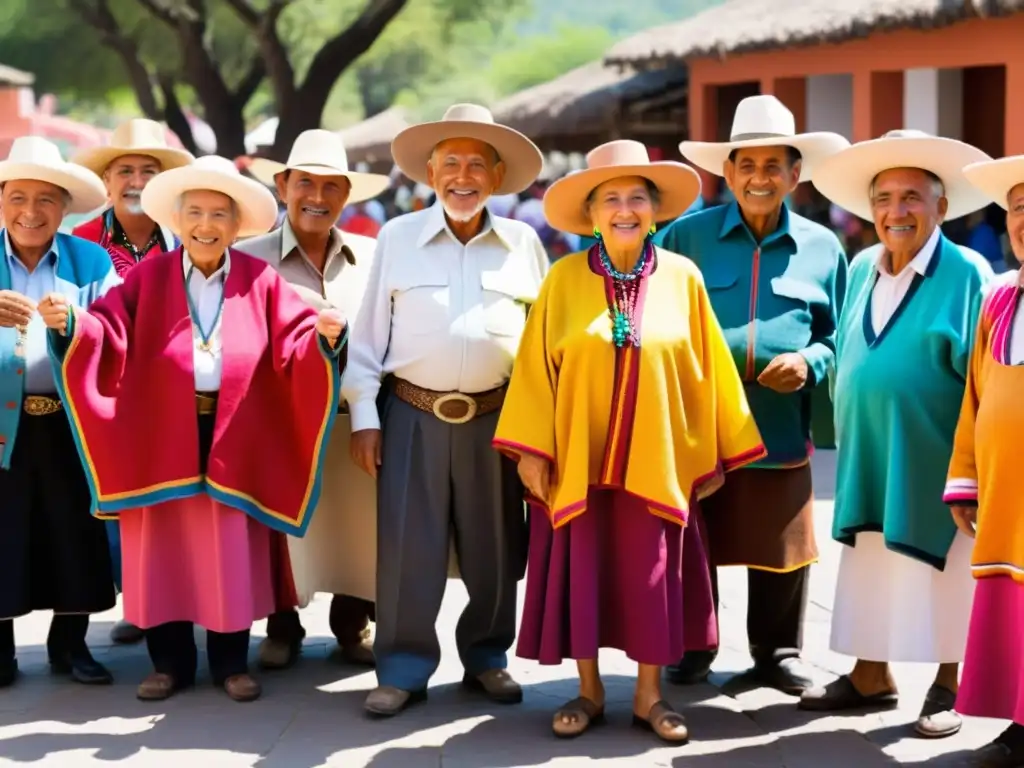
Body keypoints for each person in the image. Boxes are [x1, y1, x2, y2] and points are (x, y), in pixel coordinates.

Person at [42, 155, 347, 702]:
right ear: (179, 222)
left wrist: (322, 338)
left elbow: (296, 342)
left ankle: (232, 662)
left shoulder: (260, 280)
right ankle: (169, 664)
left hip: (235, 432)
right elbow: (108, 328)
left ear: (236, 226)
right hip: (161, 435)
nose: (206, 225)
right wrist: (75, 325)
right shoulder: (150, 278)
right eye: (196, 214)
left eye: (219, 215)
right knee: (162, 551)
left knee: (228, 550)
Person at [493, 140, 765, 742]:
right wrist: (534, 451)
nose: (624, 210)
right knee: (582, 572)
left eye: (636, 198)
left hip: (658, 458)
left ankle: (649, 696)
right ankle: (589, 691)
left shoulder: (684, 278)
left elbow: (709, 366)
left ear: (654, 210)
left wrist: (716, 447)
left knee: (652, 576)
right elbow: (536, 369)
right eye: (609, 199)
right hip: (578, 460)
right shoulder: (563, 281)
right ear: (590, 214)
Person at [346, 104, 547, 717]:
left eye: (476, 165)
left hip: (497, 419)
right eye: (450, 163)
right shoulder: (397, 238)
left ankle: (487, 658)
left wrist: (538, 432)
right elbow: (367, 338)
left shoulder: (522, 242)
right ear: (430, 173)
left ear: (496, 174)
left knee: (495, 547)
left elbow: (539, 343)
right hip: (411, 414)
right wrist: (365, 419)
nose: (463, 176)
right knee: (409, 548)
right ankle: (403, 667)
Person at [802, 130, 993, 738]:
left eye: (913, 197)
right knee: (871, 566)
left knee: (944, 570)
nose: (897, 211)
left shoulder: (968, 272)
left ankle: (947, 683)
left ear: (941, 207)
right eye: (884, 198)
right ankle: (869, 674)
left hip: (935, 454)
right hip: (869, 452)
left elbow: (983, 373)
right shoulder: (861, 266)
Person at [662, 94, 850, 694]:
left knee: (784, 544)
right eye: (747, 165)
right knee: (697, 536)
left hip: (779, 424)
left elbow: (837, 333)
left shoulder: (824, 247)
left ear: (795, 175)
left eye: (774, 166)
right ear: (727, 172)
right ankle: (693, 648)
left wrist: (809, 359)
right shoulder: (684, 237)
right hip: (699, 424)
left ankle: (778, 653)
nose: (760, 178)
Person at [242, 129, 390, 670]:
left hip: (357, 419)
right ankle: (282, 627)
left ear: (346, 196)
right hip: (280, 426)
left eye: (332, 186)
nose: (317, 196)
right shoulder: (246, 258)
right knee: (284, 531)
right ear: (282, 186)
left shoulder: (374, 257)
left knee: (360, 529)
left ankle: (354, 625)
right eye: (305, 182)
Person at [71, 117, 194, 646]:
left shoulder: (190, 236)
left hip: (177, 392)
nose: (136, 180)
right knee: (117, 503)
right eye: (126, 170)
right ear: (107, 181)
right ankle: (139, 601)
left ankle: (186, 599)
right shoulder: (80, 243)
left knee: (177, 500)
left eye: (149, 170)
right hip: (106, 392)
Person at [0, 136, 118, 687]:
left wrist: (77, 325)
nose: (30, 211)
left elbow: (119, 336)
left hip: (72, 423)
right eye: (17, 197)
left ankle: (71, 647)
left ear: (66, 207)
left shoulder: (89, 260)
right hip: (2, 424)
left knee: (74, 533)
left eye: (45, 199)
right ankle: (0, 653)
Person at [944, 154, 1024, 767]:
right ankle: (1019, 726)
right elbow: (975, 397)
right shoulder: (999, 297)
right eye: (1020, 208)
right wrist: (965, 480)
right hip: (1005, 495)